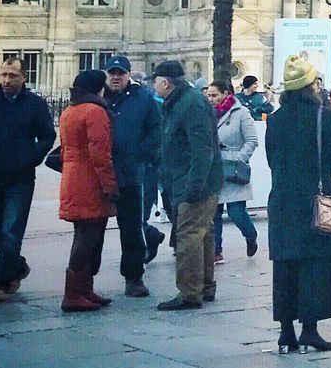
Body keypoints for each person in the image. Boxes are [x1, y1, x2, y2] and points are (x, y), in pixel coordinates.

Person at [265, 53, 331, 353]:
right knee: (316, 265)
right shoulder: (322, 116)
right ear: (311, 86)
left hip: (282, 200)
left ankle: (286, 330)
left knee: (285, 264)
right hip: (316, 199)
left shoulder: (274, 120)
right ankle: (310, 329)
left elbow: (272, 159)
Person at [0, 57, 56, 302]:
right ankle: (18, 265)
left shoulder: (35, 105)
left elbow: (47, 135)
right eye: (3, 74)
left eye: (12, 75)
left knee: (11, 232)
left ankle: (1, 282)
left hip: (20, 179)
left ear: (23, 77)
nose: (6, 80)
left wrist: (31, 157)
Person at [152, 59, 222, 310]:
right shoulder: (180, 102)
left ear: (165, 82)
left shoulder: (190, 103)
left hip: (194, 181)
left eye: (156, 81)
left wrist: (194, 185)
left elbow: (201, 148)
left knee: (189, 235)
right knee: (202, 233)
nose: (154, 86)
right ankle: (204, 286)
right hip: (189, 178)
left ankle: (190, 292)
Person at [58, 69, 119, 312]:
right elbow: (100, 153)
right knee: (88, 237)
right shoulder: (95, 111)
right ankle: (74, 293)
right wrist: (110, 185)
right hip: (90, 179)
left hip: (73, 176)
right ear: (98, 88)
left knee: (83, 234)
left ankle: (83, 289)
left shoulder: (69, 110)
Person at [102, 55, 162, 298]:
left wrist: (143, 155)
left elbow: (155, 129)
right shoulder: (99, 97)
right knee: (93, 228)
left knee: (131, 227)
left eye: (121, 73)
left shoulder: (143, 98)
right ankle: (84, 277)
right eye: (112, 73)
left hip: (130, 171)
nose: (116, 77)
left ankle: (133, 276)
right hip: (102, 171)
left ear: (128, 75)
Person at [207, 80, 259, 261]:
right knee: (214, 212)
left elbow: (252, 140)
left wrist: (240, 158)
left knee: (236, 211)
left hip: (234, 168)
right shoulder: (208, 114)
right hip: (215, 167)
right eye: (209, 95)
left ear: (226, 93)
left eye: (215, 95)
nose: (211, 99)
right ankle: (216, 250)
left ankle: (250, 235)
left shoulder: (241, 112)